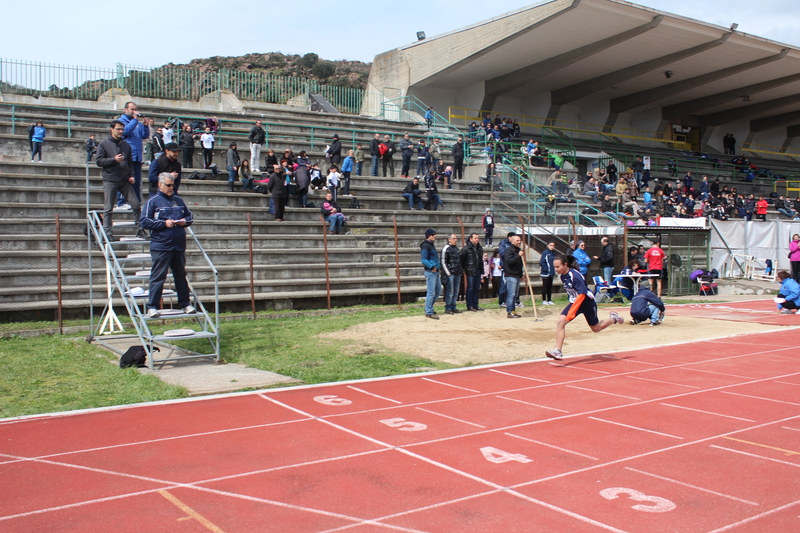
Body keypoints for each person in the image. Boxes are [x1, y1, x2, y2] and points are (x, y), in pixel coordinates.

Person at [546, 254, 624, 360]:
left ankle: (614, 318)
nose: (556, 269)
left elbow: (582, 295)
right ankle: (558, 350)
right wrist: (572, 308)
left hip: (586, 302)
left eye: (557, 267)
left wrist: (572, 311)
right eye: (554, 267)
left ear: (565, 265)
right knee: (560, 322)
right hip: (575, 302)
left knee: (596, 328)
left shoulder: (575, 275)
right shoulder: (563, 275)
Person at [140, 173, 194, 318]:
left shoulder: (179, 200)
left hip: (178, 245)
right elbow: (144, 221)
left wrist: (184, 222)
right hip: (161, 245)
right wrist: (164, 224)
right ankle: (152, 306)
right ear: (160, 185)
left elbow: (190, 217)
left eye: (173, 185)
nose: (171, 188)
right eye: (168, 185)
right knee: (158, 276)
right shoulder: (153, 201)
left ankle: (185, 303)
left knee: (181, 275)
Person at [96, 120, 143, 241]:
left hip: (125, 180)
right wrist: (113, 160)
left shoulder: (126, 145)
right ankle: (107, 232)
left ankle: (140, 228)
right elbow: (99, 161)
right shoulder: (104, 144)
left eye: (122, 129)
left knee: (136, 205)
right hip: (110, 179)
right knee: (108, 208)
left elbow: (131, 163)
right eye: (118, 129)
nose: (121, 132)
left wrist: (132, 175)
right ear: (111, 129)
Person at [118, 102, 149, 201]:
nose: (134, 112)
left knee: (136, 181)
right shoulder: (121, 121)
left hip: (137, 156)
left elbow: (144, 136)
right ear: (125, 110)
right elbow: (125, 131)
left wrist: (145, 126)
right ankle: (122, 202)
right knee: (124, 180)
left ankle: (135, 202)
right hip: (126, 156)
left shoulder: (137, 123)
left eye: (135, 109)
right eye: (132, 109)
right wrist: (135, 121)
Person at [420, 229, 441, 320]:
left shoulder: (431, 245)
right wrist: (432, 267)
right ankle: (429, 311)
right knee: (431, 292)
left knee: (438, 291)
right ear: (429, 235)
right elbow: (424, 260)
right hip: (430, 271)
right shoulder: (425, 245)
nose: (435, 236)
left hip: (435, 272)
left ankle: (428, 307)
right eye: (433, 235)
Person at [461, 233, 485, 312]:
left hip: (478, 270)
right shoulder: (466, 248)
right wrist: (466, 269)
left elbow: (480, 260)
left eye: (478, 238)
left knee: (477, 288)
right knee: (470, 288)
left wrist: (482, 269)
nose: (477, 240)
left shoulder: (479, 248)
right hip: (470, 271)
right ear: (471, 239)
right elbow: (462, 260)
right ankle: (470, 305)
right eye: (475, 238)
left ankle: (475, 304)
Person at [502, 234, 524, 318]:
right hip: (510, 275)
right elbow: (509, 261)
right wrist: (518, 255)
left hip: (516, 275)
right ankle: (509, 311)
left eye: (520, 240)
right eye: (517, 240)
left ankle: (513, 310)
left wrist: (521, 274)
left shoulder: (518, 250)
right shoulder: (509, 250)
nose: (519, 242)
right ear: (513, 241)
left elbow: (520, 264)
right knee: (511, 294)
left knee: (515, 294)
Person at [440, 234, 463, 315]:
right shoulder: (446, 248)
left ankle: (453, 306)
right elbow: (443, 261)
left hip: (457, 273)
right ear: (449, 239)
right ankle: (448, 307)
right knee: (450, 291)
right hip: (450, 274)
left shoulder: (456, 249)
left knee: (456, 291)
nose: (455, 240)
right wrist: (448, 273)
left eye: (456, 238)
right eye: (454, 238)